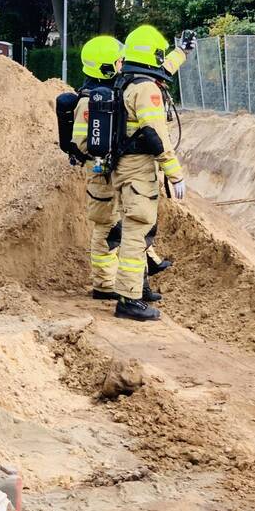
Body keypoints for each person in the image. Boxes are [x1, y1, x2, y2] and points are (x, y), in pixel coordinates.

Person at [70, 36, 168, 303]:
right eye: (117, 60)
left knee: (131, 224)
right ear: (106, 66)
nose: (121, 63)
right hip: (101, 174)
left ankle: (140, 275)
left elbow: (160, 69)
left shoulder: (119, 92)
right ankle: (104, 285)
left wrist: (181, 52)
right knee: (106, 228)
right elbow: (81, 144)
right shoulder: (88, 102)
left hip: (116, 170)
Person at [109, 25, 190, 321]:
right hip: (138, 170)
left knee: (135, 228)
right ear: (150, 56)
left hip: (123, 168)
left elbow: (162, 70)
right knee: (135, 231)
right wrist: (175, 173)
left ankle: (137, 288)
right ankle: (129, 300)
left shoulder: (126, 81)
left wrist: (182, 53)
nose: (160, 59)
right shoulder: (146, 90)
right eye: (159, 55)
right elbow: (157, 136)